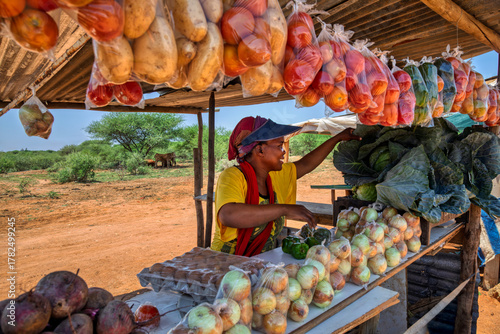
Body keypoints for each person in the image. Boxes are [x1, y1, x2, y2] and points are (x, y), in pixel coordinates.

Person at [211, 116, 360, 256]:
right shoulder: (232, 176)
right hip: (225, 265)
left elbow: (306, 163)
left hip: (257, 265)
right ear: (260, 150)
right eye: (279, 145)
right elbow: (228, 215)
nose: (284, 152)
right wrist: (284, 208)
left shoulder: (275, 175)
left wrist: (338, 138)